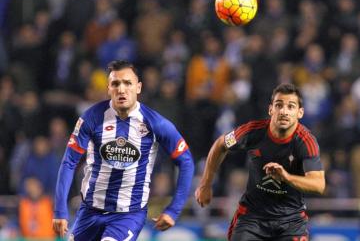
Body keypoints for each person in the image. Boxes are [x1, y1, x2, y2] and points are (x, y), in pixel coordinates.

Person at [52, 60, 194, 241]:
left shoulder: (155, 123)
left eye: (128, 83)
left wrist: (174, 209)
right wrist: (60, 209)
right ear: (108, 89)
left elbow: (186, 161)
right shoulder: (92, 117)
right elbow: (69, 162)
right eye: (115, 84)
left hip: (128, 215)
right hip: (90, 211)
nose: (121, 89)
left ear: (139, 87)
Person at [195, 83, 325, 241]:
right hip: (251, 219)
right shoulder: (252, 131)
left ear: (300, 112)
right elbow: (221, 144)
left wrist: (286, 177)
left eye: (291, 106)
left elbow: (318, 185)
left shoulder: (306, 142)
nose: (284, 111)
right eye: (279, 105)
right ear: (271, 109)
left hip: (291, 221)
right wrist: (206, 184)